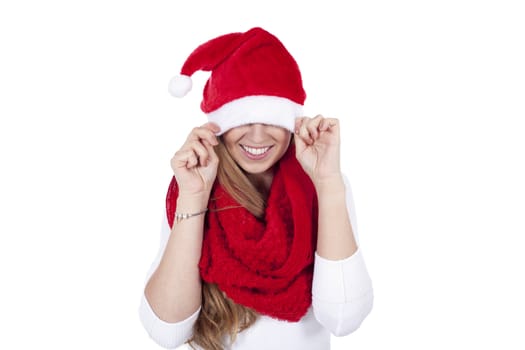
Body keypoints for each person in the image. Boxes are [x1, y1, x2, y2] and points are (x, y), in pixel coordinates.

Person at [139, 27, 373, 350]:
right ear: (221, 123)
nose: (258, 136)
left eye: (272, 120)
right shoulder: (193, 185)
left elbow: (344, 317)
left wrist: (329, 184)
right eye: (244, 120)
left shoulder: (323, 186)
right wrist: (193, 197)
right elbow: (166, 330)